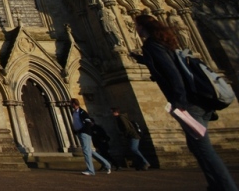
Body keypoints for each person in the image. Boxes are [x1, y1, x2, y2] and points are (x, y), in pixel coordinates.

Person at [131, 14, 237, 191]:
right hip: (201, 100)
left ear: (143, 27)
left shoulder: (151, 45)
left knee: (203, 149)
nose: (136, 29)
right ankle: (215, 185)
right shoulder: (165, 43)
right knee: (197, 146)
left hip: (189, 104)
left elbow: (174, 74)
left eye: (137, 26)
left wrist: (179, 102)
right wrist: (142, 59)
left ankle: (226, 187)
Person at [70, 98, 112, 176]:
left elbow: (88, 123)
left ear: (74, 104)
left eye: (71, 103)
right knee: (90, 151)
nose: (70, 104)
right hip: (80, 133)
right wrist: (75, 131)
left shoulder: (82, 112)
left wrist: (83, 130)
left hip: (84, 133)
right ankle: (107, 164)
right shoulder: (74, 112)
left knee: (86, 151)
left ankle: (90, 170)